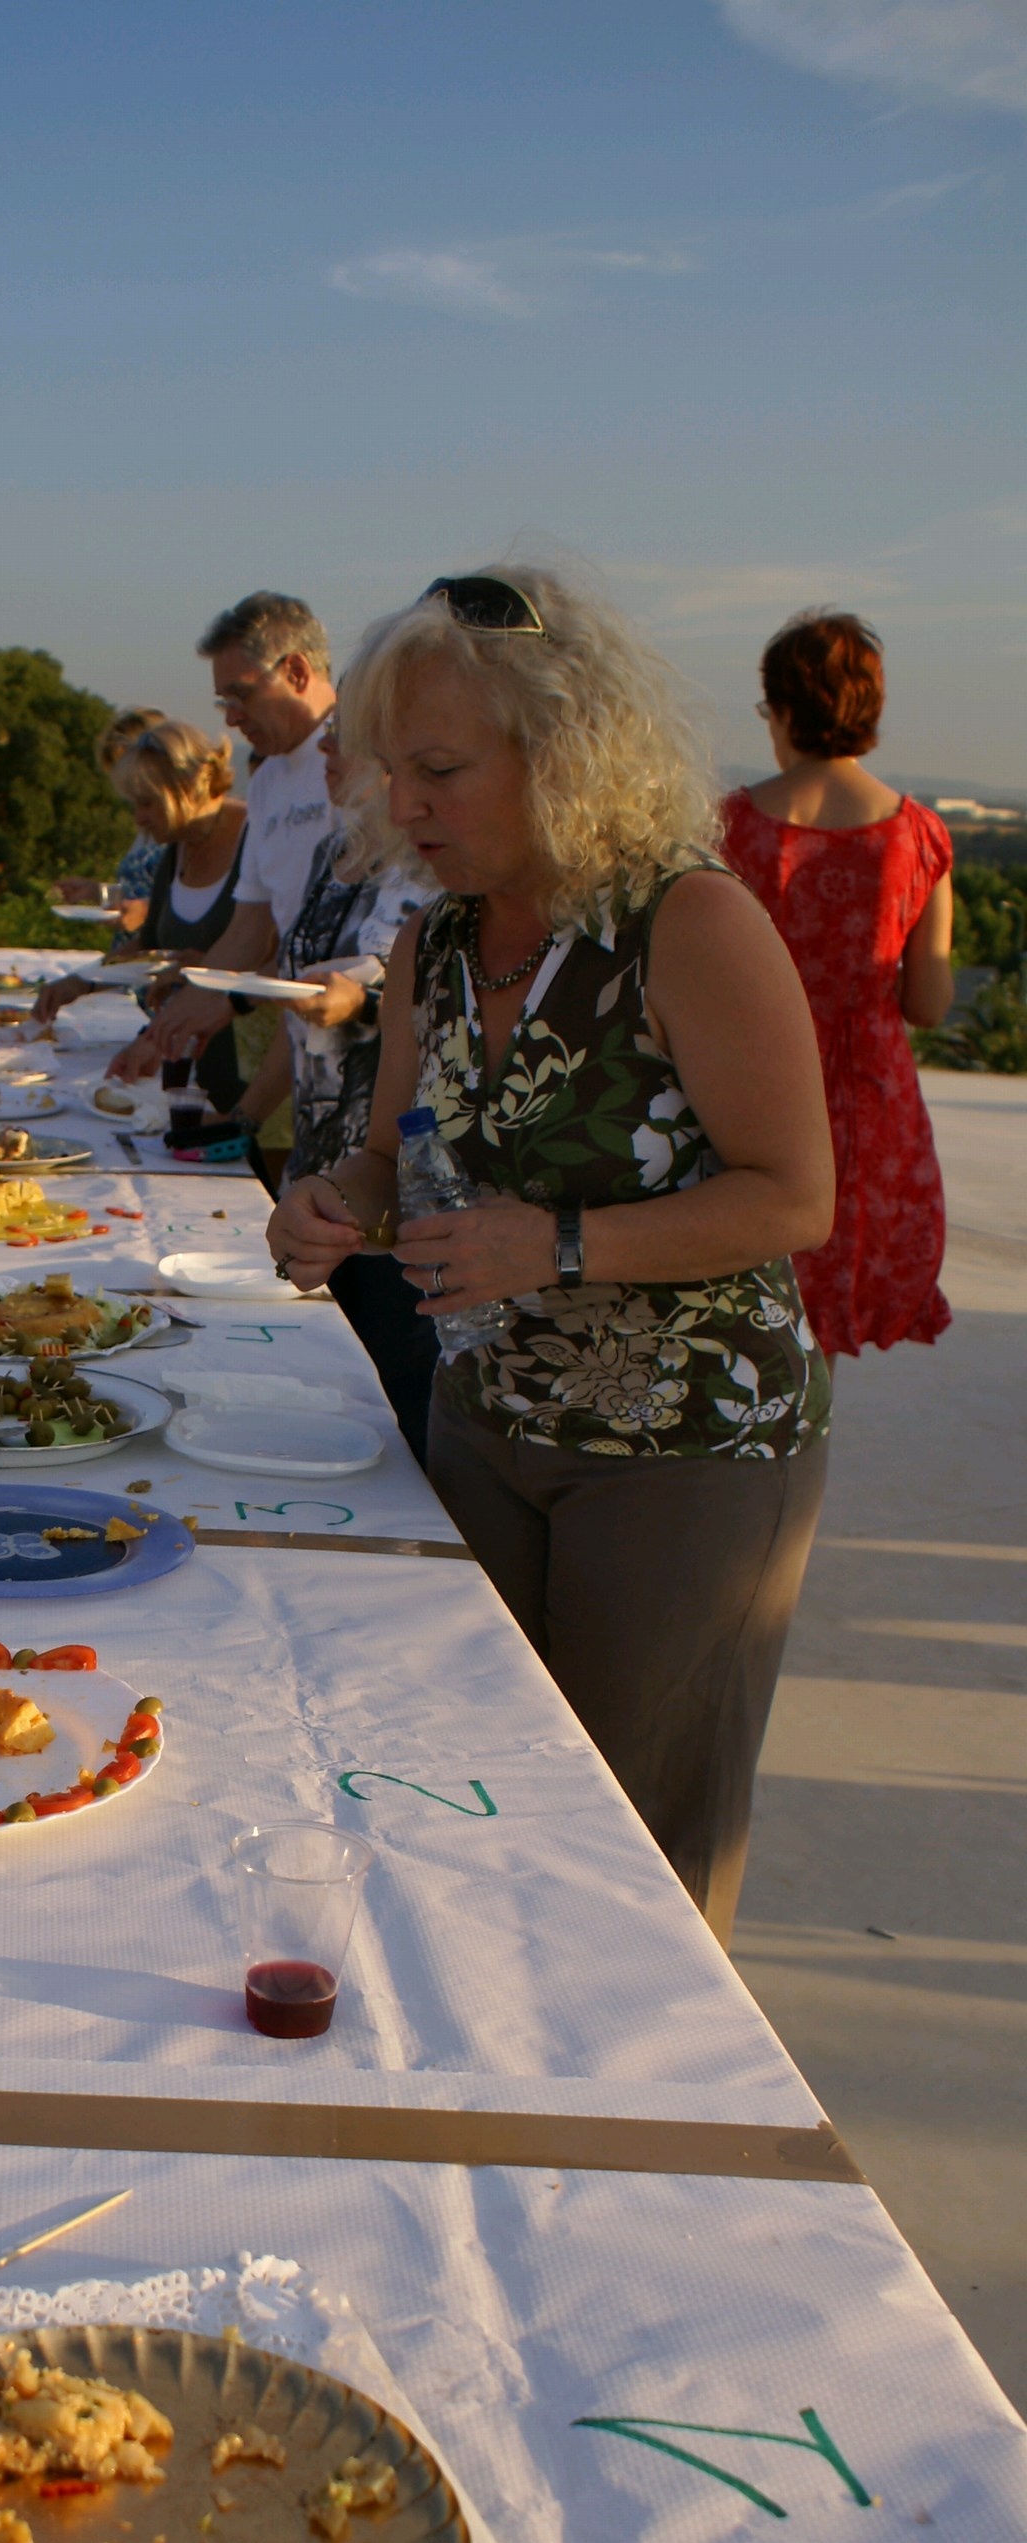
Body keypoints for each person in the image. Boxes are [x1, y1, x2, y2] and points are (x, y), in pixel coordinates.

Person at [268, 566, 836, 1944]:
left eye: (441, 770)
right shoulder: (436, 943)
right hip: (485, 1420)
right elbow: (393, 1156)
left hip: (683, 1450)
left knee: (633, 1864)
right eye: (392, 771)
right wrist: (328, 1205)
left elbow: (794, 1197)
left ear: (567, 754)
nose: (404, 806)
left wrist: (564, 1243)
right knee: (476, 1815)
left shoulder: (686, 923)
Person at [721, 611, 955, 1358]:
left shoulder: (731, 827)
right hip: (867, 1109)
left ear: (784, 708)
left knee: (746, 1302)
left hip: (748, 1084)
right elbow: (928, 1003)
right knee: (826, 1311)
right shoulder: (916, 836)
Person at [217, 723, 439, 1453]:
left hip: (397, 1177)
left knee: (397, 1395)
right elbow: (299, 1003)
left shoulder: (432, 860)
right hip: (322, 1164)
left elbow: (413, 987)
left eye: (346, 738)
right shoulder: (329, 853)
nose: (326, 751)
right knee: (317, 1393)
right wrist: (246, 1116)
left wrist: (360, 1000)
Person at [108, 591, 341, 1163]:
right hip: (302, 1068)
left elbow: (350, 952)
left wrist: (228, 1001)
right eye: (223, 700)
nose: (231, 717)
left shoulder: (362, 762)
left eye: (241, 694)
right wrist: (165, 1028)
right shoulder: (267, 783)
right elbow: (247, 932)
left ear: (296, 671)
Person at [33, 720, 247, 1036]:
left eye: (147, 803)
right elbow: (150, 944)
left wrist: (209, 970)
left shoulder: (255, 839)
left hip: (241, 1050)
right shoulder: (177, 850)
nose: (139, 818)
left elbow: (275, 951)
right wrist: (79, 982)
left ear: (187, 787)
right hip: (179, 1042)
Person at [50, 705, 171, 948]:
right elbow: (139, 893)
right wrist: (97, 892)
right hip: (132, 954)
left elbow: (196, 907)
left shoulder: (181, 830)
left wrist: (146, 913)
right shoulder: (147, 827)